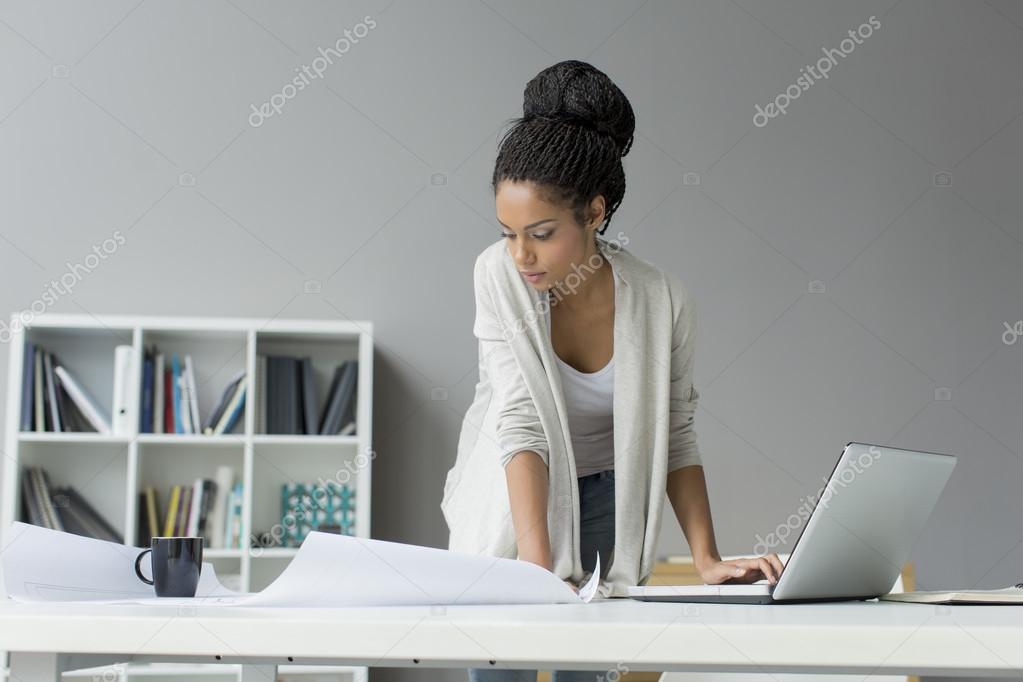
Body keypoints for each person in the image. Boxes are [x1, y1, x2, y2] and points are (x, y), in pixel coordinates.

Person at [440, 60, 784, 682]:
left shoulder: (661, 299)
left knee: (592, 665)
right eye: (508, 232)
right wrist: (538, 568)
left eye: (541, 234)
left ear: (595, 212)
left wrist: (706, 559)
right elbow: (520, 421)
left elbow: (676, 432)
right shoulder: (498, 276)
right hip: (513, 492)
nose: (521, 255)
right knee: (499, 665)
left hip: (606, 494)